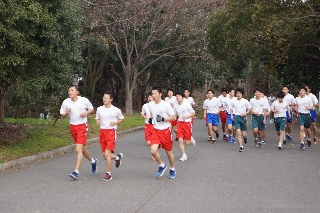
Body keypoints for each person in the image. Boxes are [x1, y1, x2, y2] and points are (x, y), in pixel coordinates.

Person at [60, 86, 97, 180]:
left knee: (78, 149)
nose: (70, 92)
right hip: (73, 127)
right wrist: (67, 112)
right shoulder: (66, 102)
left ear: (77, 92)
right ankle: (93, 161)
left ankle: (76, 172)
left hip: (82, 126)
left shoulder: (83, 100)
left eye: (72, 90)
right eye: (69, 91)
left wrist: (86, 113)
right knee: (82, 149)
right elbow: (62, 115)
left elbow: (91, 108)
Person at [149, 87, 177, 179]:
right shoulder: (151, 104)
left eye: (155, 94)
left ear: (160, 94)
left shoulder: (166, 105)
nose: (153, 95)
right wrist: (150, 118)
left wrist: (163, 119)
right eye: (152, 94)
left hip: (165, 131)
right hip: (156, 130)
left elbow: (173, 117)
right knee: (153, 151)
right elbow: (152, 113)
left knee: (169, 153)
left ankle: (172, 169)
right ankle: (162, 165)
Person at [95, 92, 124, 181]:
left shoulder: (116, 110)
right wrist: (97, 121)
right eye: (103, 98)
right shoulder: (99, 109)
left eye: (107, 98)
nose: (104, 99)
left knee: (107, 154)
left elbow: (122, 118)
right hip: (102, 132)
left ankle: (109, 174)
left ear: (111, 99)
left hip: (111, 132)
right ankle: (117, 157)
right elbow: (97, 118)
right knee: (105, 156)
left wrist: (115, 123)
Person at [174, 91, 196, 161]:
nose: (177, 97)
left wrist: (187, 116)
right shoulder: (175, 106)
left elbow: (193, 113)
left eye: (179, 96)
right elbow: (175, 115)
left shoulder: (187, 105)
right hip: (180, 124)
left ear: (182, 97)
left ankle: (191, 139)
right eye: (176, 96)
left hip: (187, 124)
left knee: (188, 143)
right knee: (180, 140)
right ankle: (184, 155)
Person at [230, 88, 252, 152]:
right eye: (237, 93)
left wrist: (245, 113)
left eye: (240, 93)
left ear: (242, 94)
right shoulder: (233, 101)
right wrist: (231, 115)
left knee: (243, 133)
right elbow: (231, 109)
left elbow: (250, 109)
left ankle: (245, 137)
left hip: (243, 118)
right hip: (236, 117)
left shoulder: (245, 101)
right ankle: (241, 146)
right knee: (238, 132)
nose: (238, 94)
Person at [141, 92, 155, 160]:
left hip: (155, 125)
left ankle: (154, 153)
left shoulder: (157, 106)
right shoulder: (145, 106)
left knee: (154, 140)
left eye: (151, 97)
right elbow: (142, 113)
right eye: (149, 97)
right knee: (148, 142)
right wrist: (144, 116)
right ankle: (155, 148)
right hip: (147, 124)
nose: (150, 98)